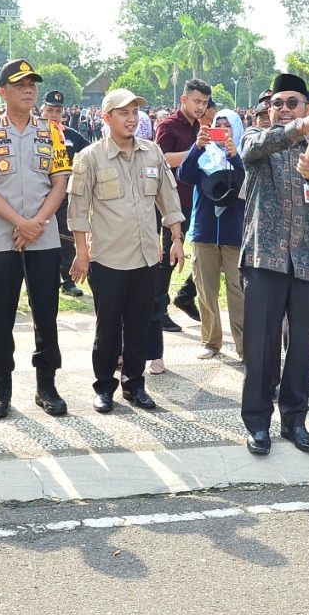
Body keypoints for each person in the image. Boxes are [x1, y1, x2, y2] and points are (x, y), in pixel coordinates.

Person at [238, 74, 309, 455]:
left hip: (305, 261)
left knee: (301, 347)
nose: (282, 109)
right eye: (277, 103)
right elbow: (252, 151)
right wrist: (300, 128)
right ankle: (258, 424)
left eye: (292, 103)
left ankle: (295, 421)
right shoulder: (257, 137)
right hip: (264, 258)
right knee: (261, 346)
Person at [67, 88, 184, 413]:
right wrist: (81, 251)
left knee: (139, 325)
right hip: (107, 259)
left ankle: (134, 385)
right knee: (107, 329)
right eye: (123, 113)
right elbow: (78, 209)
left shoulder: (153, 153)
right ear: (107, 118)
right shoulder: (90, 157)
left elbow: (168, 198)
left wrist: (176, 238)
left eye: (135, 112)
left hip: (147, 257)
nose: (131, 118)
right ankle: (104, 387)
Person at [0, 60, 70, 419]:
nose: (29, 90)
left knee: (47, 313)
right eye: (19, 85)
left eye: (32, 84)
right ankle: (1, 388)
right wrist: (19, 222)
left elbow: (60, 182)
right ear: (2, 92)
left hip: (43, 237)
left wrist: (37, 223)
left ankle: (47, 386)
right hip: (2, 236)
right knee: (2, 316)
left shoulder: (52, 132)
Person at [178, 109, 245, 360]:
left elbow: (246, 185)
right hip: (204, 232)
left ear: (236, 129)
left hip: (234, 234)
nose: (223, 131)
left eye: (228, 126)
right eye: (219, 125)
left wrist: (235, 157)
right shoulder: (204, 157)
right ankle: (211, 341)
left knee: (238, 292)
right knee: (206, 291)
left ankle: (243, 345)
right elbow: (184, 175)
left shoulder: (243, 156)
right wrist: (196, 147)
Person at [154, 79, 210, 331]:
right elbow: (162, 158)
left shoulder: (200, 126)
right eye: (196, 101)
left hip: (192, 199)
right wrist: (196, 150)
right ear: (184, 100)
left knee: (179, 254)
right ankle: (158, 308)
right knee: (166, 255)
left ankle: (178, 299)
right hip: (167, 199)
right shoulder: (169, 126)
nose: (200, 107)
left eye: (205, 103)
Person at [39, 89, 91, 297]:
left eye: (57, 111)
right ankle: (41, 279)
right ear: (41, 110)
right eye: (49, 110)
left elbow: (91, 153)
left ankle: (68, 281)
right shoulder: (33, 133)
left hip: (63, 196)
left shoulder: (70, 135)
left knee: (67, 238)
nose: (53, 115)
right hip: (38, 195)